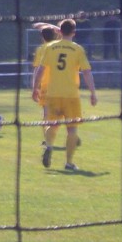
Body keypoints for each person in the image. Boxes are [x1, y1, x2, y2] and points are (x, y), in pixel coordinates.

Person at [32, 18, 97, 171]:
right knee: (72, 129)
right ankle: (69, 162)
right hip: (71, 95)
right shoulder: (77, 49)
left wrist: (35, 88)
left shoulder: (50, 47)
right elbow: (87, 72)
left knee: (52, 125)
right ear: (74, 33)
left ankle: (48, 146)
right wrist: (93, 92)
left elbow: (40, 69)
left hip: (53, 93)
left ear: (59, 32)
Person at [32, 22, 60, 146]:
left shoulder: (40, 49)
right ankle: (71, 134)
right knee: (59, 114)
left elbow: (37, 68)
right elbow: (62, 30)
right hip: (59, 84)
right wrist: (48, 25)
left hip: (45, 85)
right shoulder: (59, 46)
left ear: (42, 37)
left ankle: (47, 139)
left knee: (46, 114)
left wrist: (35, 86)